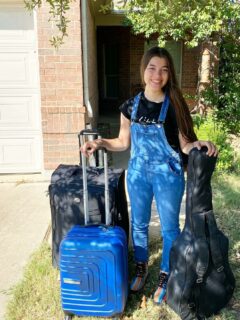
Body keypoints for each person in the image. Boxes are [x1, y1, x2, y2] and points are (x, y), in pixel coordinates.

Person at [81, 46, 218, 304]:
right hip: (138, 173)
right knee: (139, 223)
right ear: (144, 70)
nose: (158, 75)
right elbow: (123, 142)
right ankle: (142, 266)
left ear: (169, 75)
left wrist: (199, 144)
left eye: (164, 70)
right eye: (153, 68)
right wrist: (100, 143)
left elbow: (185, 144)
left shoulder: (174, 105)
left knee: (169, 228)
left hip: (168, 174)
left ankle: (166, 273)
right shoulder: (130, 106)